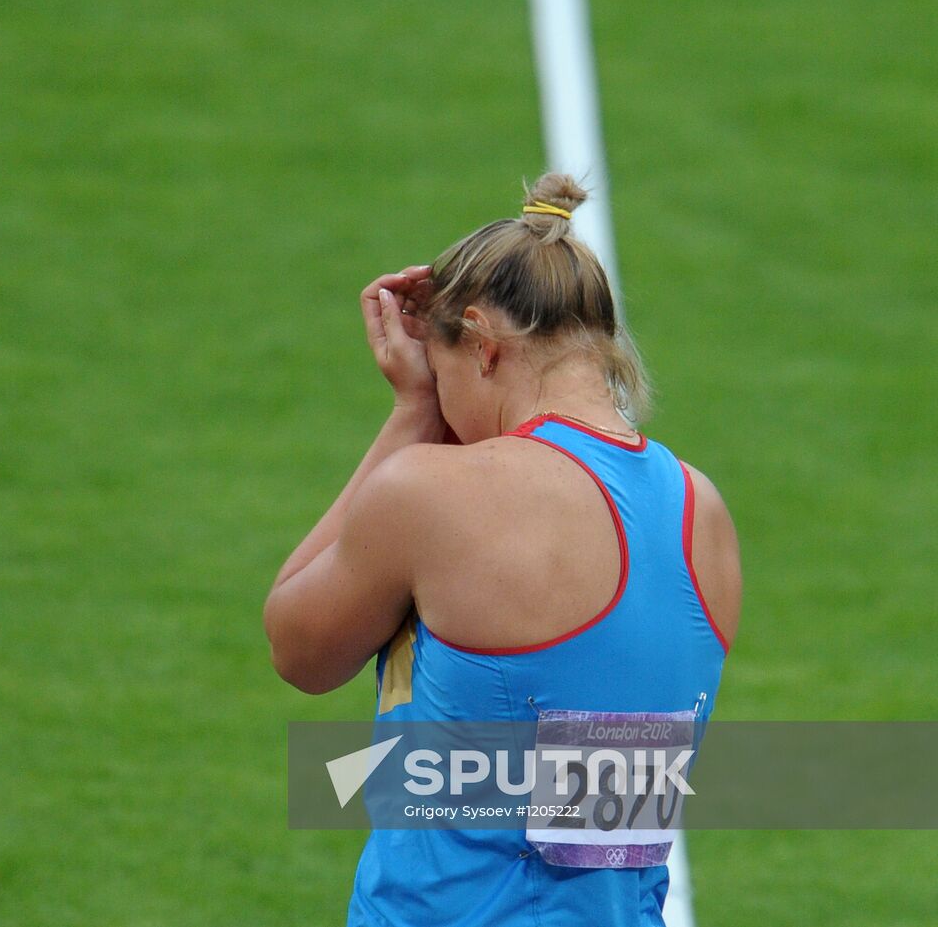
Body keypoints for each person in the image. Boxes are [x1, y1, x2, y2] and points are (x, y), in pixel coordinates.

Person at [263, 173, 741, 926]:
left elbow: (298, 646)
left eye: (446, 372)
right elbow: (604, 795)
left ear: (482, 346)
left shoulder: (434, 492)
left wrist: (412, 413)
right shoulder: (699, 510)